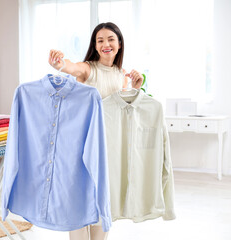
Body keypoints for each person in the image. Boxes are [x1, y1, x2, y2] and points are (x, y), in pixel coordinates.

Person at [48, 22, 144, 240]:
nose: (105, 44)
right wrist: (58, 63)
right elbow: (71, 67)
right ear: (95, 45)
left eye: (110, 39)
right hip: (81, 144)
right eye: (100, 40)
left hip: (109, 147)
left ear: (119, 44)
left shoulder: (123, 75)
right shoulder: (88, 68)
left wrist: (134, 90)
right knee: (79, 200)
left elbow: (121, 113)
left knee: (103, 201)